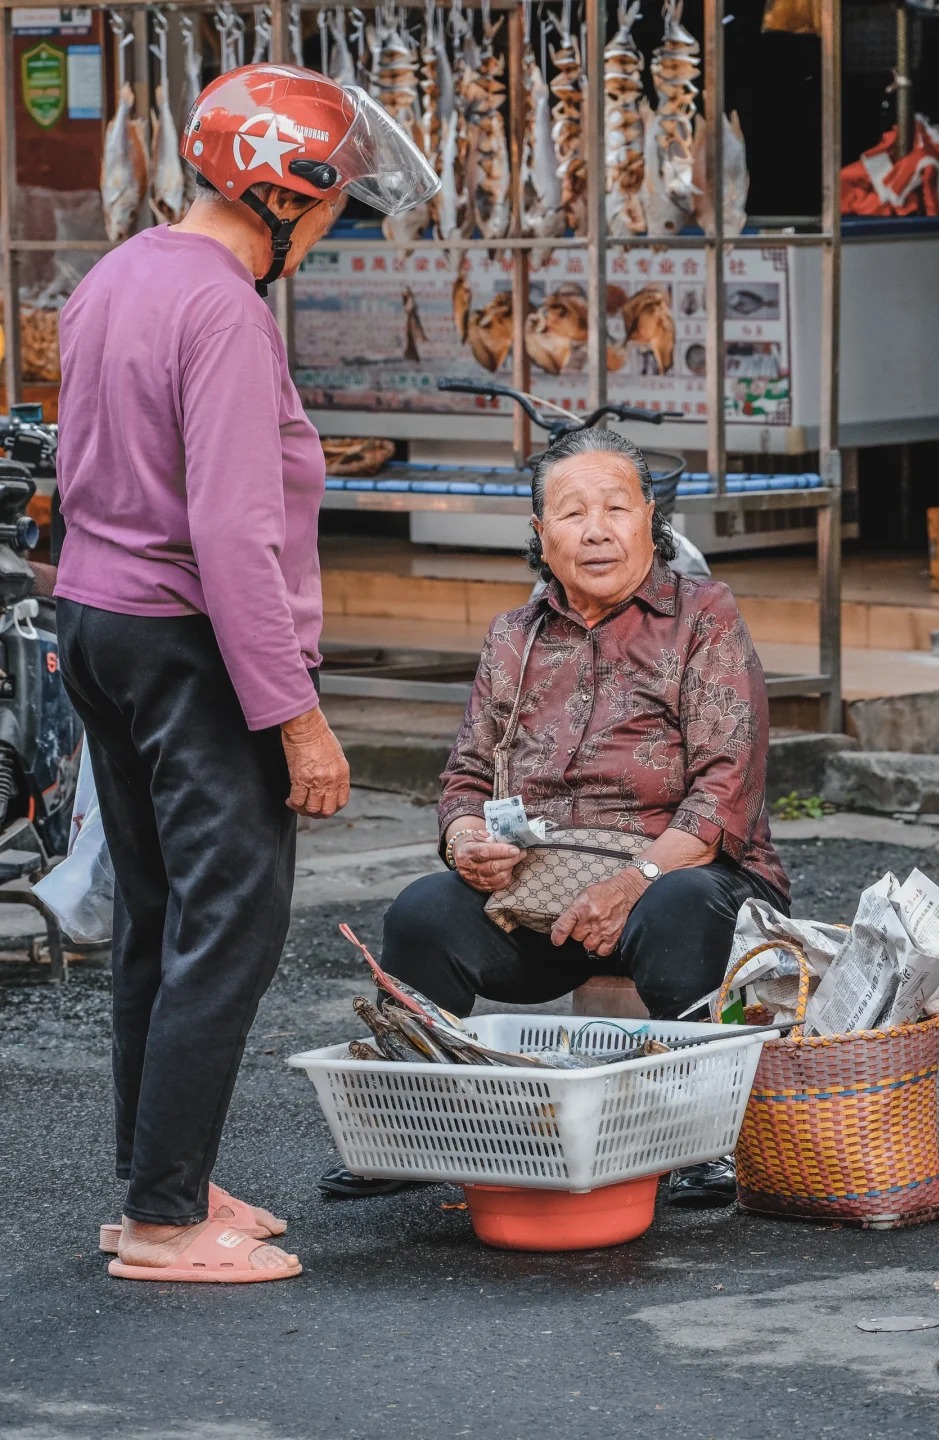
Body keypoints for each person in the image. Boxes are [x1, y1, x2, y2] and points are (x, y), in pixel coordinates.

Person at [53, 65, 436, 1283]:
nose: (329, 232)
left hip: (99, 623)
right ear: (286, 193)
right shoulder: (223, 309)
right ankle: (167, 1224)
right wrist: (297, 719)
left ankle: (154, 1185)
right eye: (331, 208)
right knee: (230, 923)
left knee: (160, 918)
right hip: (189, 642)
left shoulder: (118, 274)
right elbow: (231, 534)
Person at [327, 427, 790, 1207]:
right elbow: (467, 773)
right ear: (541, 534)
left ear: (651, 519)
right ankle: (408, 1130)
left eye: (617, 507)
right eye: (573, 513)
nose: (598, 529)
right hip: (545, 894)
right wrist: (466, 839)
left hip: (684, 878)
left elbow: (724, 788)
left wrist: (635, 882)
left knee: (678, 906)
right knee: (424, 913)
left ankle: (704, 1138)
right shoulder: (514, 636)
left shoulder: (702, 614)